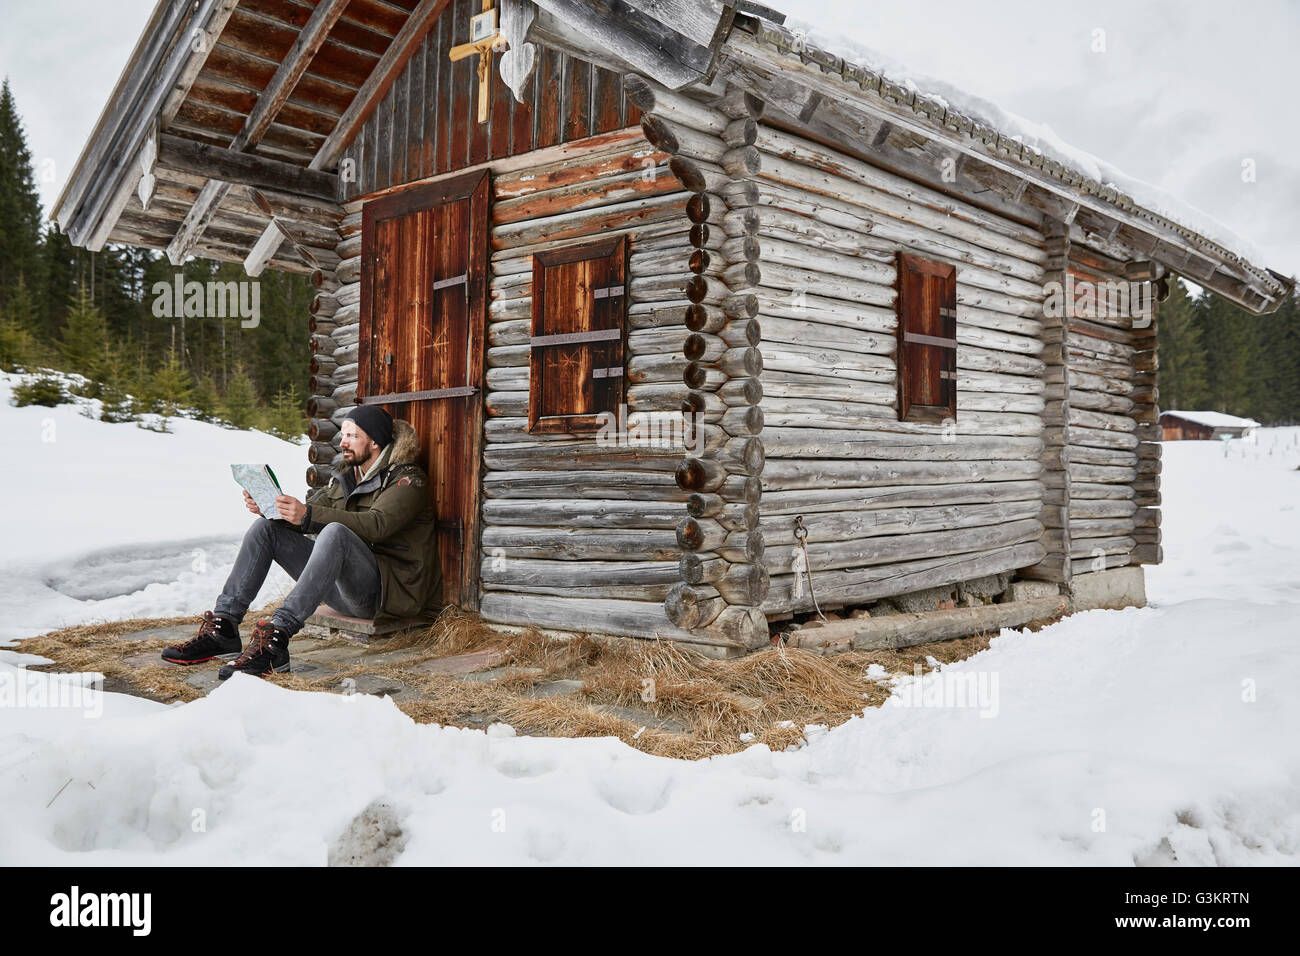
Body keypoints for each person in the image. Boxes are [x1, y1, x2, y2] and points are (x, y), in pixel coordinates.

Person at [160, 405, 442, 679]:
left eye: (352, 435)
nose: (343, 442)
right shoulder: (345, 478)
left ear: (375, 442)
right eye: (343, 434)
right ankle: (223, 629)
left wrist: (307, 514)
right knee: (266, 529)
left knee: (335, 532)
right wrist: (273, 509)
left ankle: (277, 639)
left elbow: (378, 525)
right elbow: (308, 515)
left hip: (384, 594)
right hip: (341, 589)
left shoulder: (407, 480)